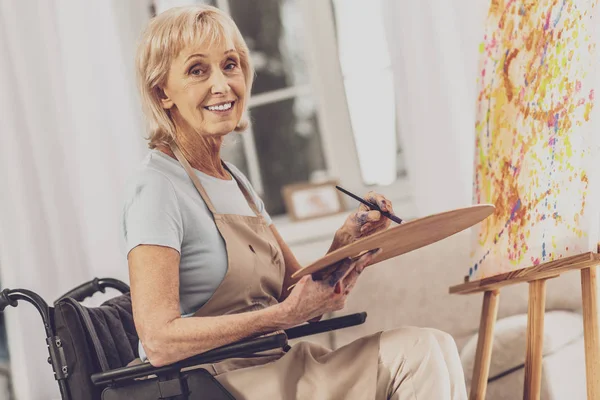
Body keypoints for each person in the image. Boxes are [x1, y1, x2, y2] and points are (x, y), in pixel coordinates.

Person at [122, 5, 468, 399]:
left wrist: (344, 243)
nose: (221, 85)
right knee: (418, 352)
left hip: (271, 363)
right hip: (214, 382)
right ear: (162, 91)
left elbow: (297, 297)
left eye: (230, 65)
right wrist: (283, 316)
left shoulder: (235, 182)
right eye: (198, 70)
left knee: (436, 344)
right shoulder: (156, 187)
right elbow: (159, 341)